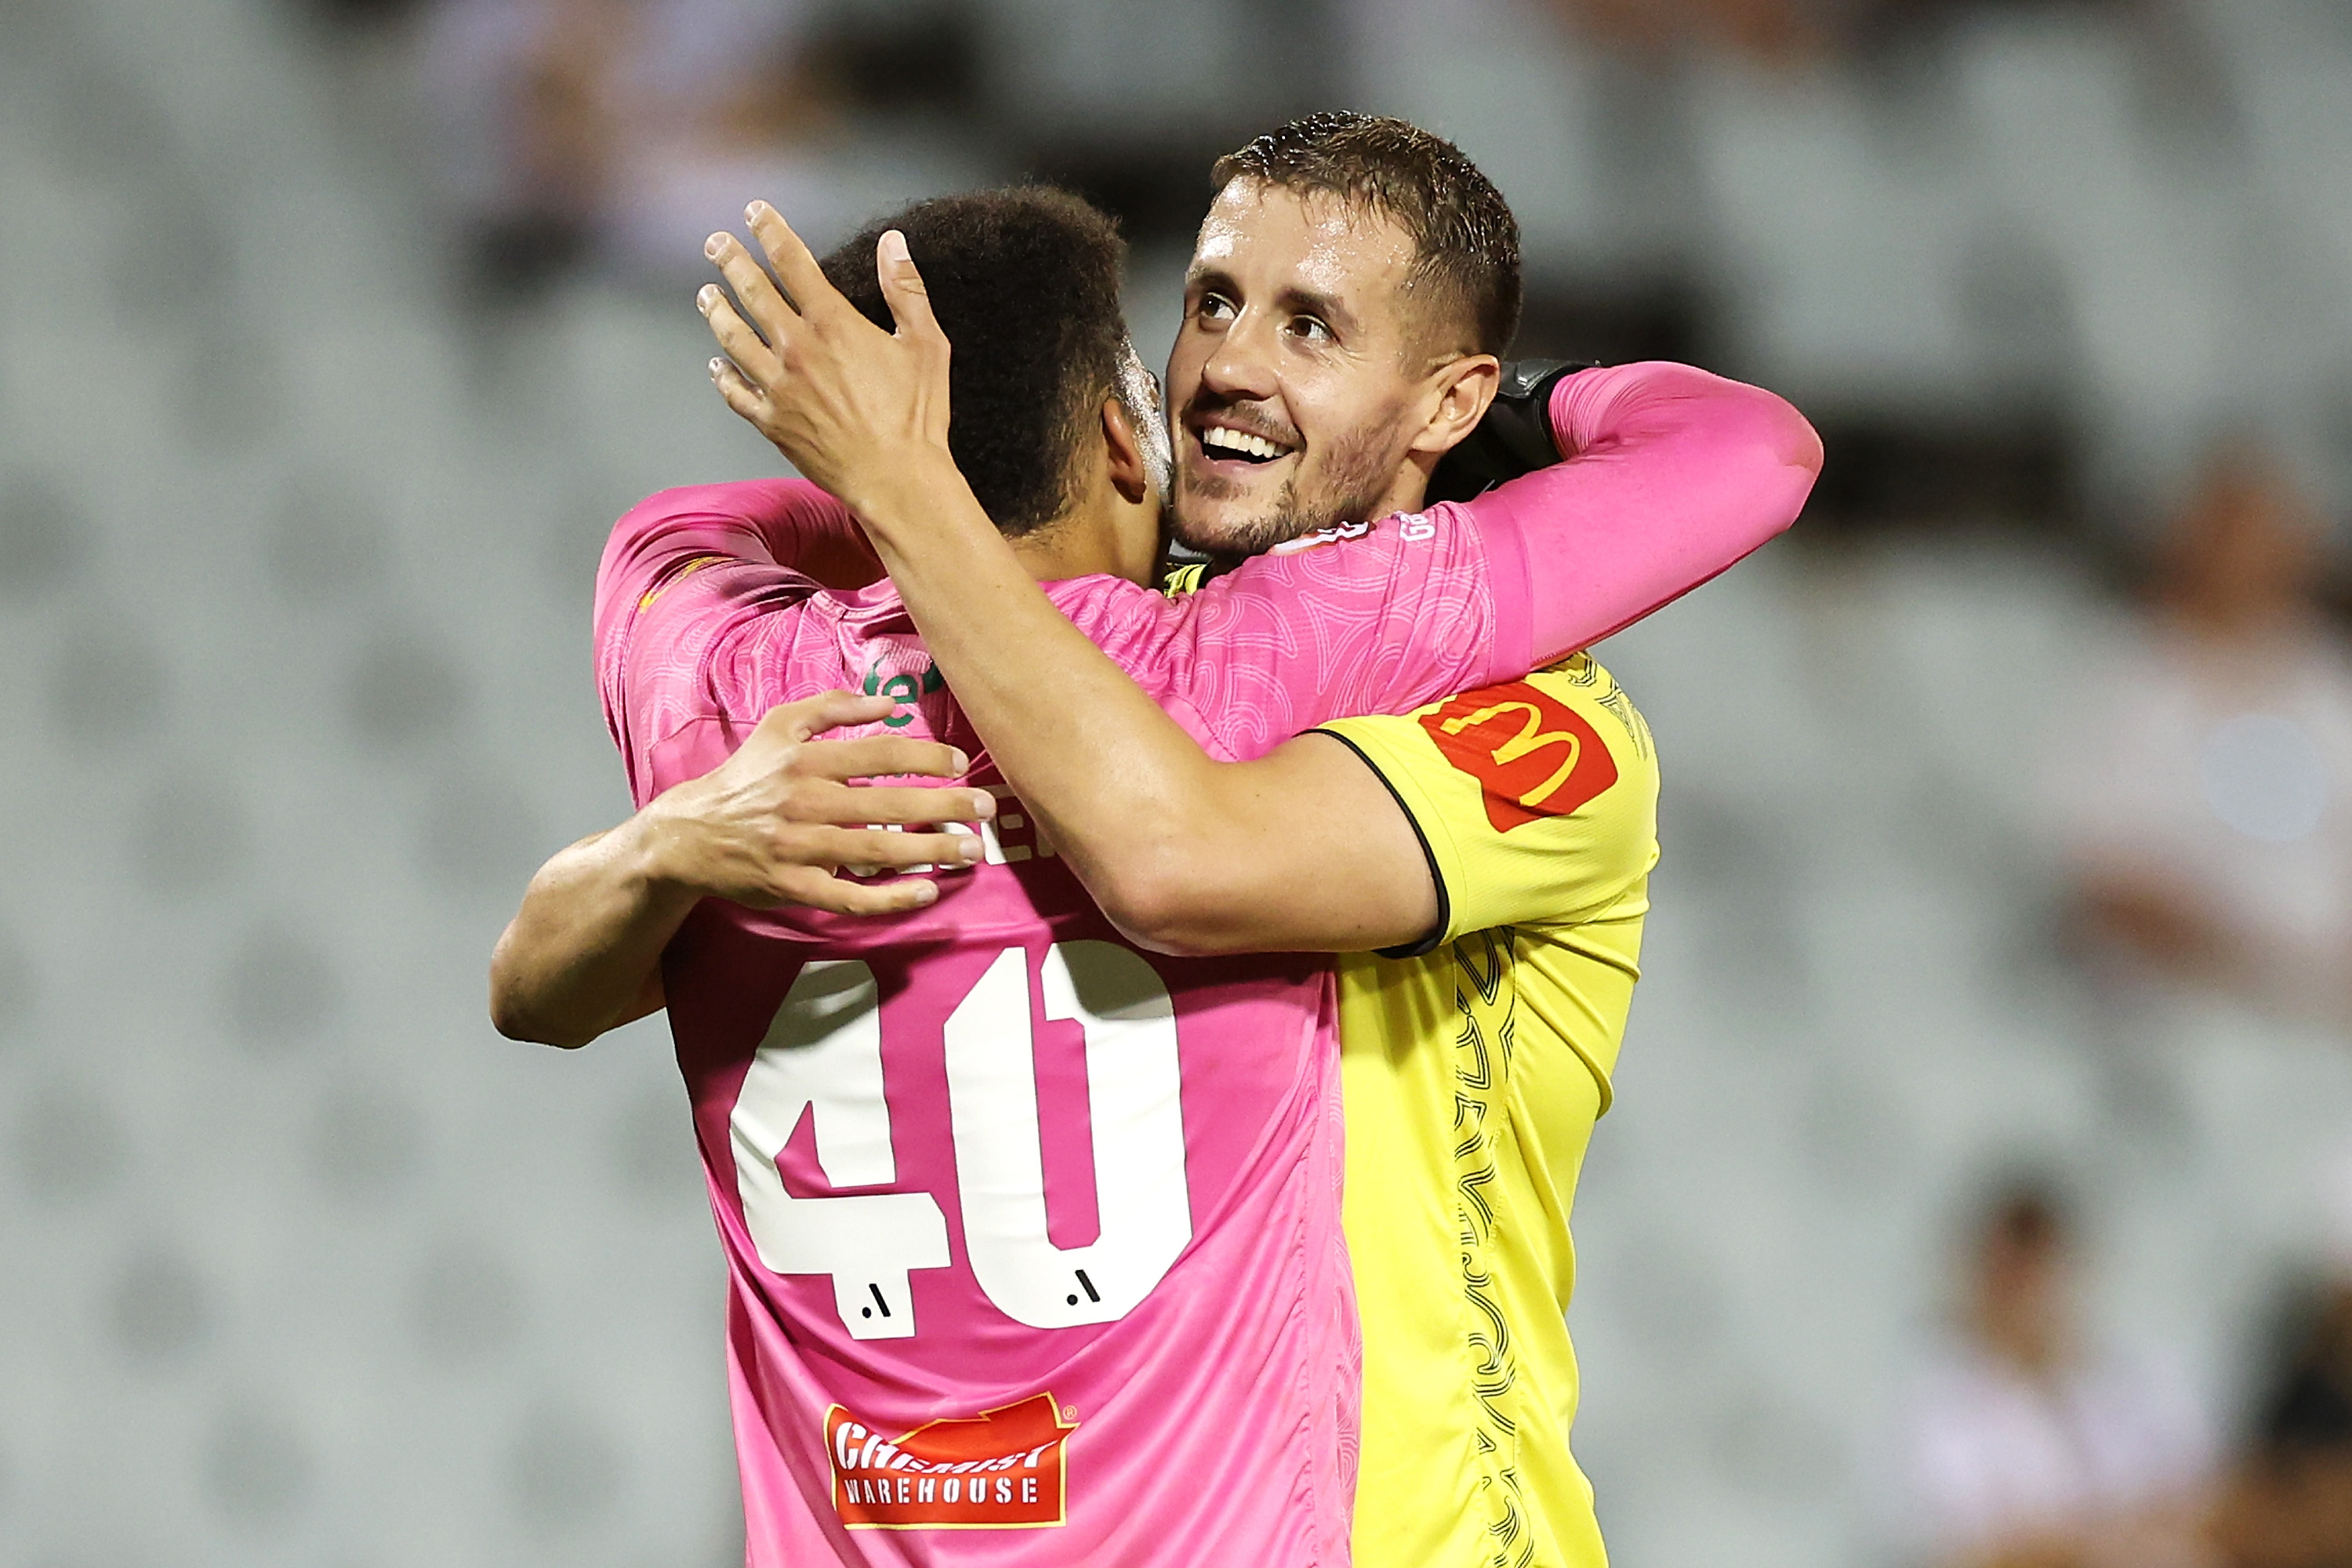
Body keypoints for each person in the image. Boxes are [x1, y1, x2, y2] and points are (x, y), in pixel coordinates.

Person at [496, 134, 1817, 1567]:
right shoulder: (1241, 669)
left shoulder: (756, 699)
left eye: (1310, 325)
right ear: (1125, 417)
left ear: (1450, 397)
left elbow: (550, 967)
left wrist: (901, 466)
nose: (1228, 367)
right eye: (1208, 304)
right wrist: (1534, 437)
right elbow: (1746, 450)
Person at [1895, 1177, 2216, 1568]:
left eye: (2038, 1269)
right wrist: (2110, 1537)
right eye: (2010, 1274)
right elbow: (1971, 1553)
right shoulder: (1938, 1403)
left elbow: (2206, 1504)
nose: (2028, 1292)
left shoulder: (2135, 1379)